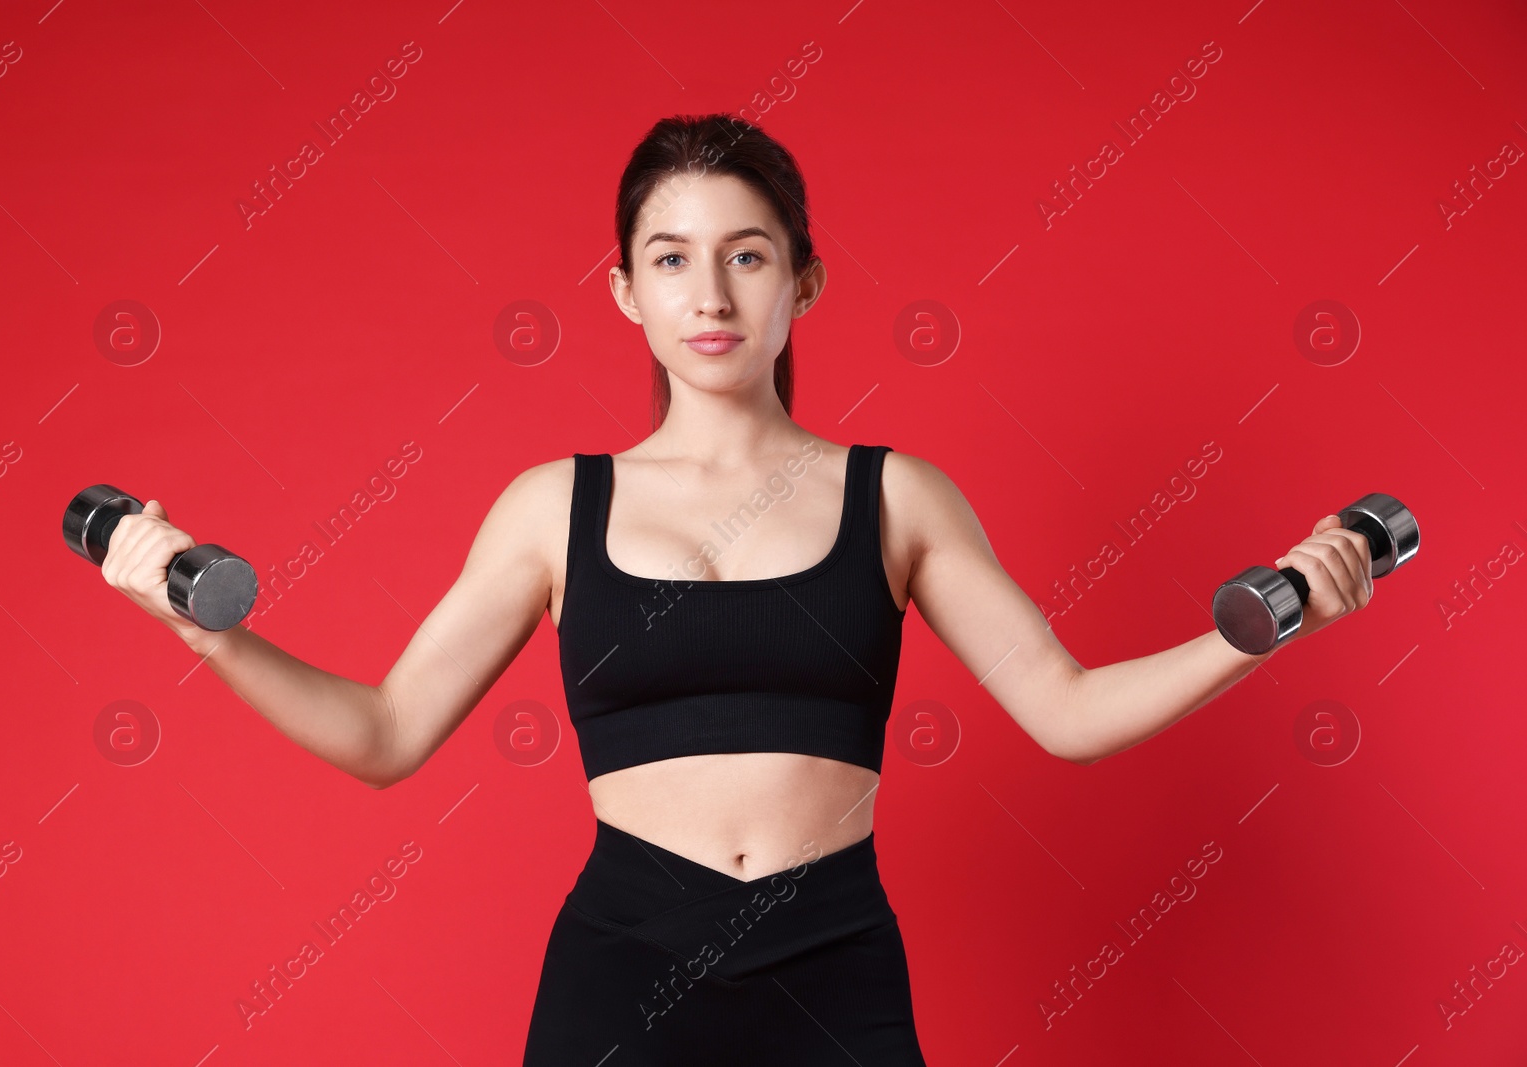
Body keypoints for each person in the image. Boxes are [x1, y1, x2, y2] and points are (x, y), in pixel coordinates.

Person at [98, 114, 1375, 1065]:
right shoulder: (553, 505)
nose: (709, 294)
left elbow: (1070, 710)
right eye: (669, 259)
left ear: (803, 282)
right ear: (624, 292)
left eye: (747, 256)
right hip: (622, 967)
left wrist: (1269, 626)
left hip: (833, 959)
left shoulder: (898, 496)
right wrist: (203, 635)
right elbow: (382, 736)